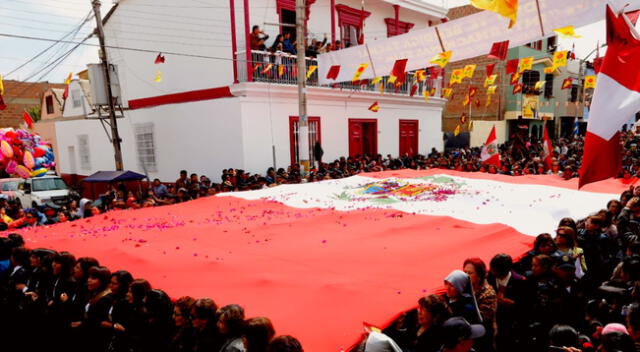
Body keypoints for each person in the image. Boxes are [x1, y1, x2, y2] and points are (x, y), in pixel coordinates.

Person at [463, 258, 497, 351]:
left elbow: (481, 319)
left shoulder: (488, 293)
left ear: (479, 276)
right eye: (464, 272)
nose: (466, 276)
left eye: (470, 273)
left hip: (482, 336)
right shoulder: (464, 288)